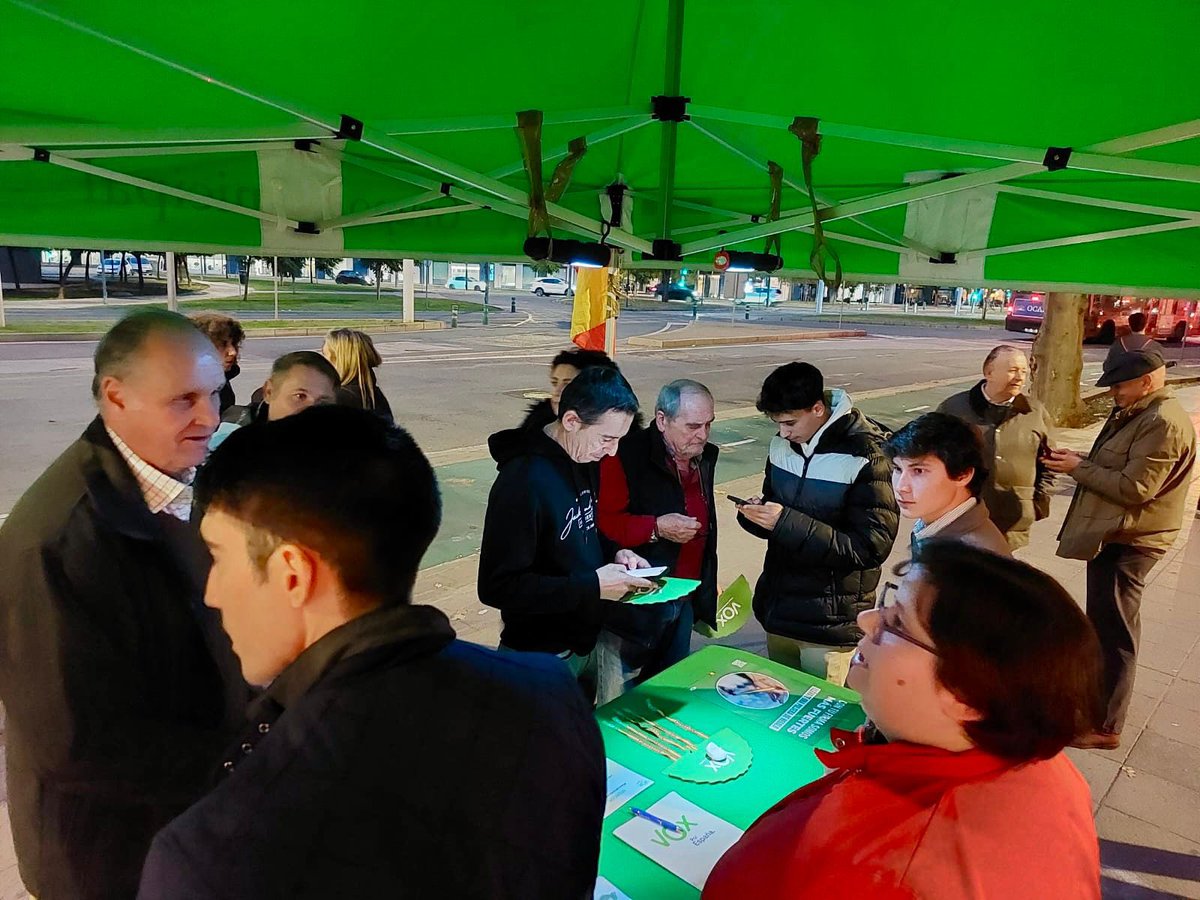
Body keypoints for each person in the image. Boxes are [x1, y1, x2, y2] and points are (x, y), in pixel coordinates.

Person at [138, 406, 606, 899]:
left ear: (292, 574)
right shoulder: (551, 695)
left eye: (218, 556)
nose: (211, 592)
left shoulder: (208, 859)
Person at [0, 310, 245, 900]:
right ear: (116, 396)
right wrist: (242, 759)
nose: (209, 417)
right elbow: (71, 741)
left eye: (213, 394)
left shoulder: (173, 476)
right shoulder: (56, 541)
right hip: (108, 858)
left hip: (178, 826)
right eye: (183, 399)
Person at [703, 540, 1104, 900]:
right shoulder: (1048, 769)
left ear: (966, 695)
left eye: (895, 623)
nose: (865, 620)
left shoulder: (874, 872)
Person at [1046, 347, 1196, 749]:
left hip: (1131, 539)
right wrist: (1080, 460)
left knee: (1115, 631)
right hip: (1120, 533)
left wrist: (1077, 468)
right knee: (1105, 625)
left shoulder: (1162, 422)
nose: (1114, 392)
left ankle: (1106, 726)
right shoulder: (1140, 413)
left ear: (1146, 382)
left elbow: (1134, 488)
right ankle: (1095, 707)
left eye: (1119, 385)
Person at [479, 366, 655, 699]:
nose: (612, 451)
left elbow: (582, 527)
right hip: (537, 656)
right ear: (571, 421)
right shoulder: (522, 481)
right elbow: (496, 587)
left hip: (584, 640)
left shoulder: (583, 457)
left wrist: (615, 551)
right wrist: (593, 586)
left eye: (620, 440)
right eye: (607, 438)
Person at [737, 362, 898, 684]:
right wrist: (756, 516)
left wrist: (784, 521)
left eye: (790, 422)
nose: (783, 432)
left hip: (830, 623)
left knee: (819, 719)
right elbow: (776, 510)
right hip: (779, 610)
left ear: (818, 408)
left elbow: (870, 547)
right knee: (777, 707)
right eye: (777, 423)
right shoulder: (781, 445)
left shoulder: (868, 454)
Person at [596, 379, 718, 703]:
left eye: (708, 424)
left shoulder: (704, 457)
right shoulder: (624, 456)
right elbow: (604, 525)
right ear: (662, 420)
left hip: (683, 602)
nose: (703, 435)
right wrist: (656, 528)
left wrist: (706, 584)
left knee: (666, 699)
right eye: (693, 426)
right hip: (633, 613)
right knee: (620, 707)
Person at [936, 345, 1055, 549]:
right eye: (1012, 370)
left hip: (1013, 520)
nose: (1019, 377)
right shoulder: (953, 409)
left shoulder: (1035, 412)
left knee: (998, 577)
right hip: (961, 517)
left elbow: (1049, 462)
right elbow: (931, 459)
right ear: (988, 372)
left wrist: (1037, 502)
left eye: (1024, 371)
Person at [885, 413, 1012, 556]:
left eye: (918, 471)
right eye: (898, 469)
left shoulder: (971, 557)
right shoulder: (936, 528)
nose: (901, 487)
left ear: (963, 475)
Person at [209, 351, 341, 449]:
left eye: (323, 403)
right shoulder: (231, 445)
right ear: (269, 392)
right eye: (300, 396)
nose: (312, 410)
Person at [520, 347, 619, 431]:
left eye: (568, 385)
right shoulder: (536, 427)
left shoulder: (624, 442)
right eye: (555, 383)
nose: (557, 392)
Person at [321, 327, 393, 423]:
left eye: (325, 355)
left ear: (341, 361)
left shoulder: (337, 399)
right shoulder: (373, 394)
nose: (321, 361)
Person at [191, 312, 245, 415]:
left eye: (234, 344)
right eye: (222, 345)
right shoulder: (185, 390)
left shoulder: (221, 379)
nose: (232, 352)